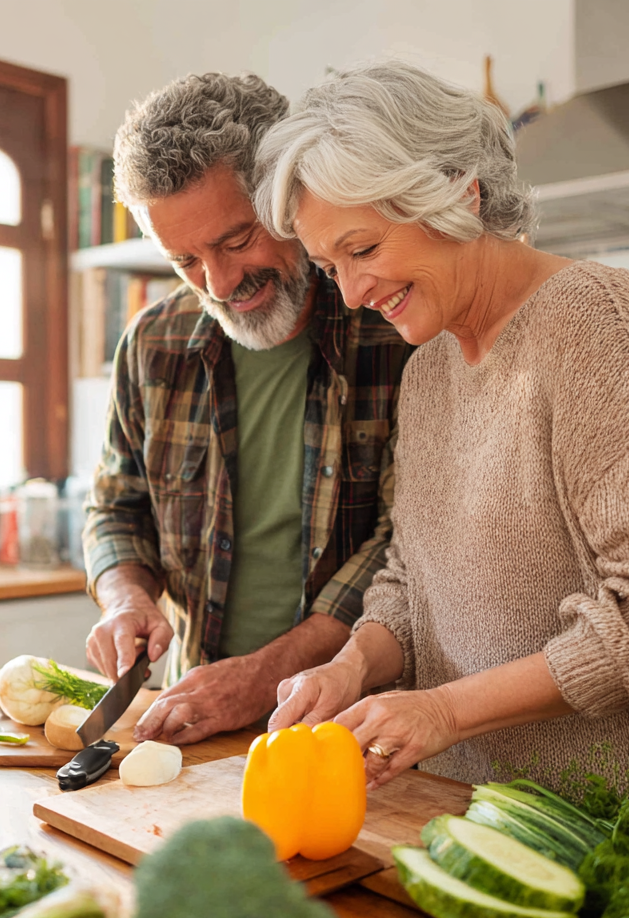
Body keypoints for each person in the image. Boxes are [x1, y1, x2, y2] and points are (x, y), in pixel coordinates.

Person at [252, 60, 629, 866]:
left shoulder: (592, 320)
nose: (350, 293)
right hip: (495, 829)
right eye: (328, 267)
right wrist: (353, 662)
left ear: (458, 195)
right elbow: (411, 575)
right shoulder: (429, 372)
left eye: (363, 249)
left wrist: (445, 713)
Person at [83, 72, 410, 746]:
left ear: (288, 195)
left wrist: (264, 679)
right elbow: (117, 506)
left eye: (235, 241)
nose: (222, 284)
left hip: (363, 725)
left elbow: (407, 547)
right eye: (186, 261)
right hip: (200, 717)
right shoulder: (154, 342)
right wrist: (126, 598)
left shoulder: (391, 329)